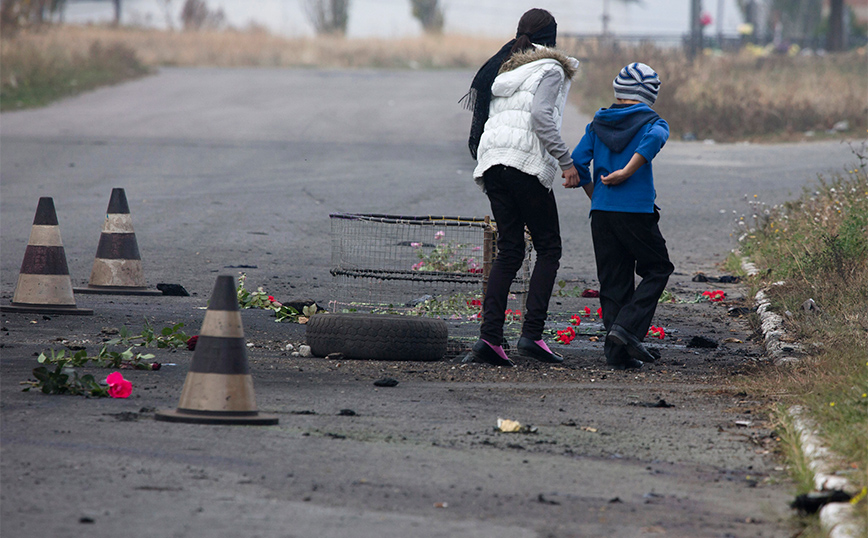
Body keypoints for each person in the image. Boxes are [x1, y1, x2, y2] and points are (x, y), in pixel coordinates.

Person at [461, 8, 589, 367]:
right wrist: (566, 163)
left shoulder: (505, 69)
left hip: (492, 164)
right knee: (549, 247)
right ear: (552, 38)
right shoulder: (551, 69)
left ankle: (489, 340)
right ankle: (532, 336)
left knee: (510, 249)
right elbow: (540, 117)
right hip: (523, 165)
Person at [570, 62, 675, 370]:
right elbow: (653, 141)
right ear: (648, 95)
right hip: (636, 212)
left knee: (613, 279)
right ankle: (627, 328)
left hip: (601, 213)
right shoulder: (653, 122)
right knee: (658, 268)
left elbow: (577, 161)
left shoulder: (596, 124)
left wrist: (596, 194)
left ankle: (618, 356)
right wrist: (627, 171)